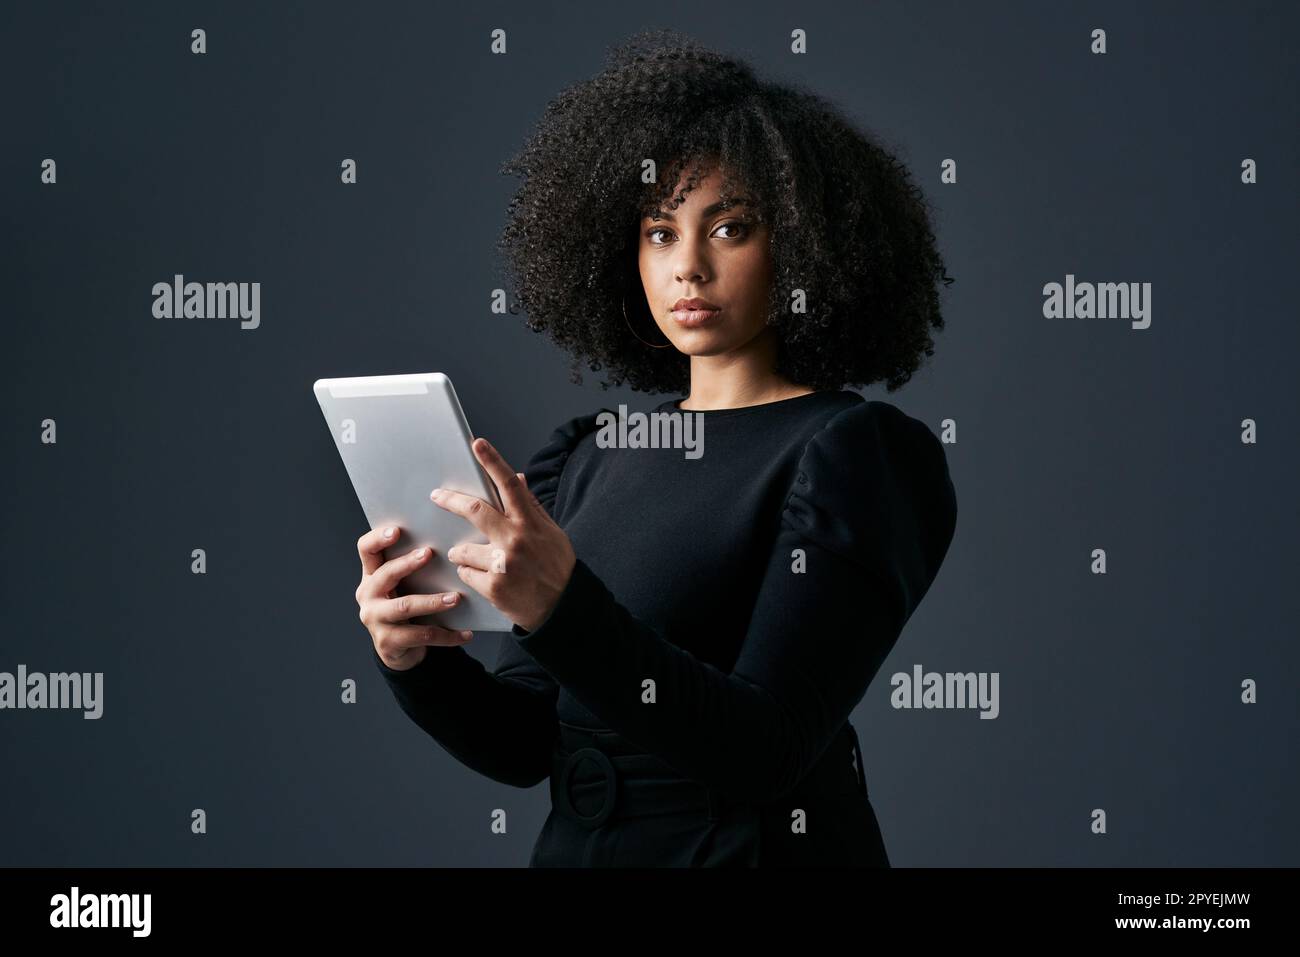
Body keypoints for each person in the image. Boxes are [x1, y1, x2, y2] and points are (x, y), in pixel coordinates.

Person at [355, 29, 958, 867]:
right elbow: (525, 745)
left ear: (806, 247)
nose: (690, 268)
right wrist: (411, 658)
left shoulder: (858, 455)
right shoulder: (590, 454)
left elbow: (767, 746)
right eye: (661, 232)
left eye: (731, 227)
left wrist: (564, 606)